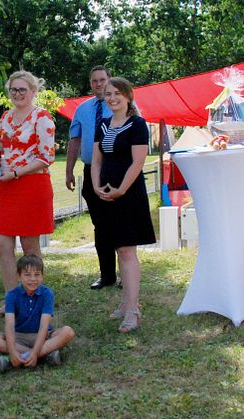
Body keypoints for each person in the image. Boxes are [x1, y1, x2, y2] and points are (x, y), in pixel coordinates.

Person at [91, 77, 155, 333]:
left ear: (128, 96)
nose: (112, 97)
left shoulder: (138, 125)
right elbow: (96, 160)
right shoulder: (103, 124)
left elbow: (137, 163)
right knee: (118, 249)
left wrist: (121, 191)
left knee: (128, 252)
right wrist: (96, 186)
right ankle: (127, 301)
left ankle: (132, 310)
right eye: (108, 93)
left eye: (117, 93)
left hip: (128, 195)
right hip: (106, 194)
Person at [0, 70, 55, 315]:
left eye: (22, 89)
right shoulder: (5, 117)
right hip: (6, 187)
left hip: (32, 186)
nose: (17, 94)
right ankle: (11, 300)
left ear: (33, 91)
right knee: (1, 244)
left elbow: (46, 157)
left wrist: (16, 173)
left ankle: (35, 299)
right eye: (13, 90)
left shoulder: (42, 117)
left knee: (30, 247)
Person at [65, 65, 117, 290]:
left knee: (118, 223)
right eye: (94, 80)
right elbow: (74, 140)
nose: (99, 84)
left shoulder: (120, 105)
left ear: (109, 79)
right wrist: (68, 170)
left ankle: (126, 272)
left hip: (115, 170)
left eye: (102, 79)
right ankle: (107, 275)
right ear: (91, 83)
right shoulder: (83, 109)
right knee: (100, 225)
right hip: (90, 172)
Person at [0, 254, 74, 373]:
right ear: (19, 276)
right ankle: (42, 356)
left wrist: (35, 351)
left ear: (42, 276)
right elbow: (9, 326)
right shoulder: (12, 295)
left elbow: (44, 326)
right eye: (27, 275)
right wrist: (12, 351)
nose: (33, 279)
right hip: (19, 337)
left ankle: (23, 357)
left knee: (67, 332)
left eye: (37, 274)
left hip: (43, 336)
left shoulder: (47, 294)